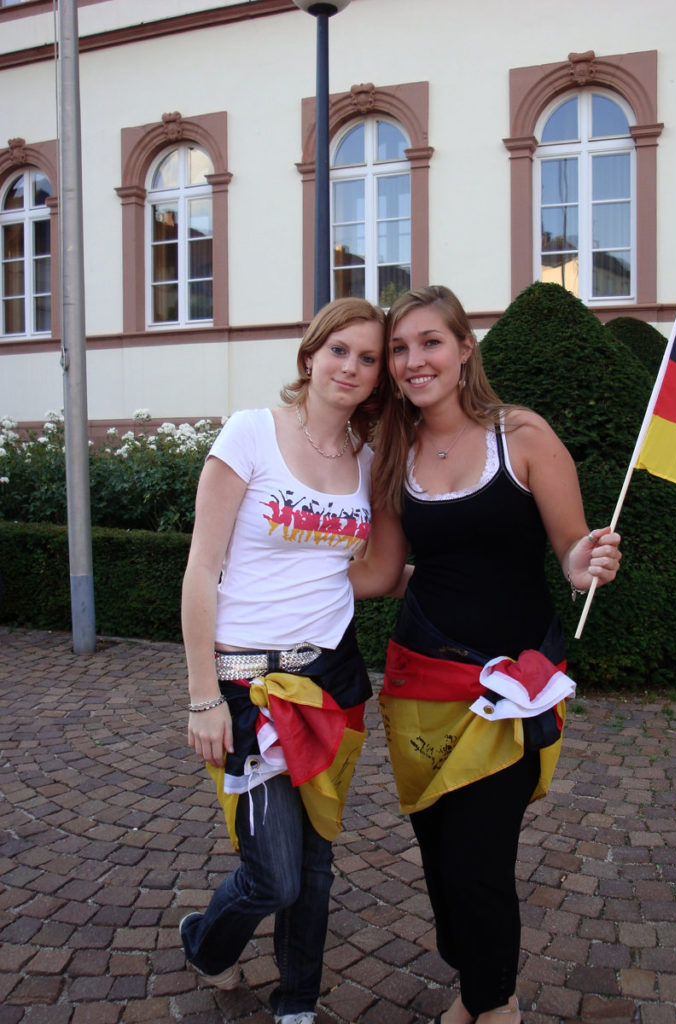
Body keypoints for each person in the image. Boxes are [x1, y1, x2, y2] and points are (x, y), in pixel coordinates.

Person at [349, 285, 622, 1024]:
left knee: (478, 859)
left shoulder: (523, 436)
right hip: (419, 683)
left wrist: (587, 560)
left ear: (465, 347)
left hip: (511, 691)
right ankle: (475, 986)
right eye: (399, 349)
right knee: (441, 859)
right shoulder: (394, 452)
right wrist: (276, 571)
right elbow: (379, 573)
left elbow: (570, 550)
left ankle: (494, 1006)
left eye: (429, 342)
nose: (412, 361)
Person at [179, 297, 386, 1024]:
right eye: (340, 351)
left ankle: (296, 1002)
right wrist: (203, 693)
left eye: (367, 358)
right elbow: (202, 568)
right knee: (273, 876)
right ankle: (206, 943)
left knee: (318, 861)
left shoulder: (366, 460)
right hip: (246, 685)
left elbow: (354, 573)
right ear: (310, 355)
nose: (351, 367)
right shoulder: (251, 434)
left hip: (330, 679)